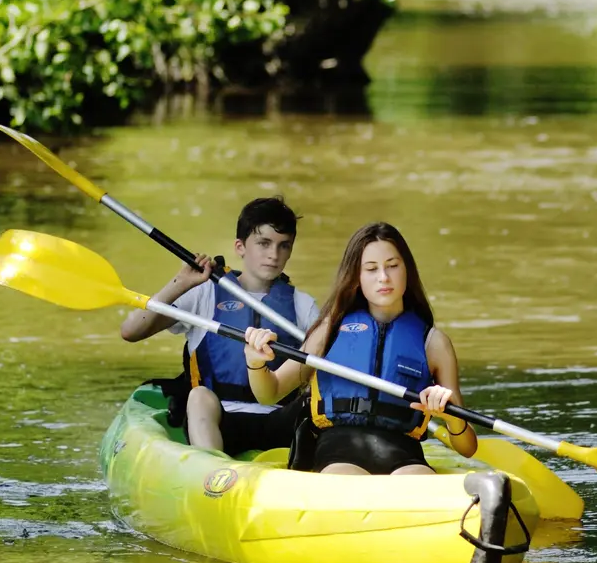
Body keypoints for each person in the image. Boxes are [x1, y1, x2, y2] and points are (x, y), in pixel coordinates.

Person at [241, 221, 477, 474]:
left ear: (407, 269)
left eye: (393, 266)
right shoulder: (329, 329)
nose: (383, 277)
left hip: (403, 453)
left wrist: (451, 417)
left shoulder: (434, 343)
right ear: (357, 277)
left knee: (420, 481)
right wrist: (255, 362)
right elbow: (270, 393)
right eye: (371, 269)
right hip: (339, 450)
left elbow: (467, 446)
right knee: (344, 477)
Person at [119, 196, 319, 454]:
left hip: (280, 420)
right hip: (220, 417)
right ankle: (212, 473)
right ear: (240, 246)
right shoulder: (205, 293)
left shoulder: (303, 305)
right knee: (198, 396)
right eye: (264, 243)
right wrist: (181, 282)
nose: (274, 255)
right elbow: (132, 331)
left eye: (284, 246)